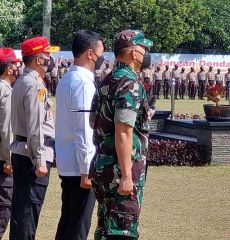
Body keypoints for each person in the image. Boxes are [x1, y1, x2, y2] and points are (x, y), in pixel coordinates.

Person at [89, 29, 153, 240]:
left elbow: (93, 122)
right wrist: (126, 176)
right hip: (119, 172)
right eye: (144, 49)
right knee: (122, 233)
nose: (146, 53)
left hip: (103, 167)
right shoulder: (130, 83)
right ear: (134, 52)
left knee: (106, 230)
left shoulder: (107, 80)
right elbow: (123, 131)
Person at [55, 30, 104, 240]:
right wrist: (87, 168)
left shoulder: (68, 78)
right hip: (79, 166)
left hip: (69, 162)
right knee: (77, 226)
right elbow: (84, 129)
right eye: (101, 52)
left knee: (68, 221)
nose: (103, 57)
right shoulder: (83, 83)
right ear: (90, 53)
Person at [10, 36, 59, 240]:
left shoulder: (23, 81)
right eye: (47, 55)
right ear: (39, 59)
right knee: (28, 212)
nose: (50, 59)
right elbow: (36, 126)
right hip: (33, 155)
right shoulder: (34, 85)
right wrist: (39, 160)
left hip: (22, 151)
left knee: (22, 211)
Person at [0, 48, 21, 239]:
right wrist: (8, 159)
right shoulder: (6, 92)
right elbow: (6, 129)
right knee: (4, 207)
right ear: (8, 69)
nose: (17, 67)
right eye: (15, 64)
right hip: (2, 159)